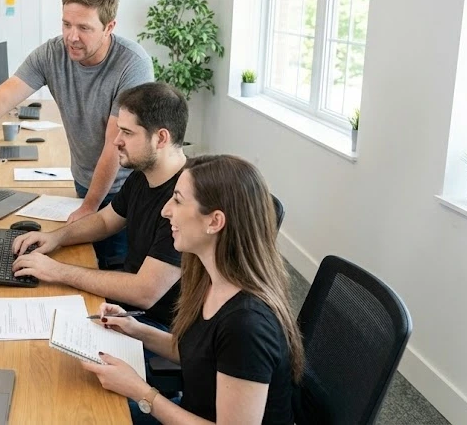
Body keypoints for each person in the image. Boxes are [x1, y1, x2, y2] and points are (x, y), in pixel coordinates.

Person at [0, 0, 153, 267]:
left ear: (109, 27)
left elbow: (114, 144)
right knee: (81, 260)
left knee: (114, 267)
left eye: (84, 28)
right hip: (85, 181)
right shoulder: (52, 53)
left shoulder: (132, 64)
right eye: (66, 24)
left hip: (126, 190)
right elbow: (3, 97)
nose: (72, 36)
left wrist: (90, 207)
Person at [81, 155, 304, 425]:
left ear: (214, 222)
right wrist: (134, 329)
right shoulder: (211, 278)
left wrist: (140, 391)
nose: (165, 211)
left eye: (177, 200)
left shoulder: (246, 325)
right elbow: (201, 354)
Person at [11, 82, 187, 328]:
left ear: (161, 138)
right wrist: (55, 238)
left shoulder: (186, 199)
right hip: (127, 308)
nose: (116, 141)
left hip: (156, 326)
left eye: (127, 133)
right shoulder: (143, 175)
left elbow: (145, 292)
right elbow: (105, 220)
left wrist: (57, 271)